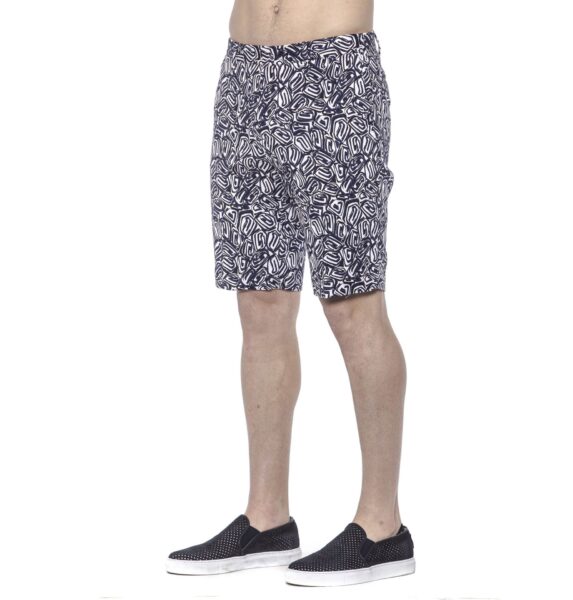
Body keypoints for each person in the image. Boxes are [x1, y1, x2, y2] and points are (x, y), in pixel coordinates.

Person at [166, 0, 415, 587]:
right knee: (260, 302)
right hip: (245, 72)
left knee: (352, 302)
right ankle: (267, 519)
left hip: (333, 72)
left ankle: (383, 526)